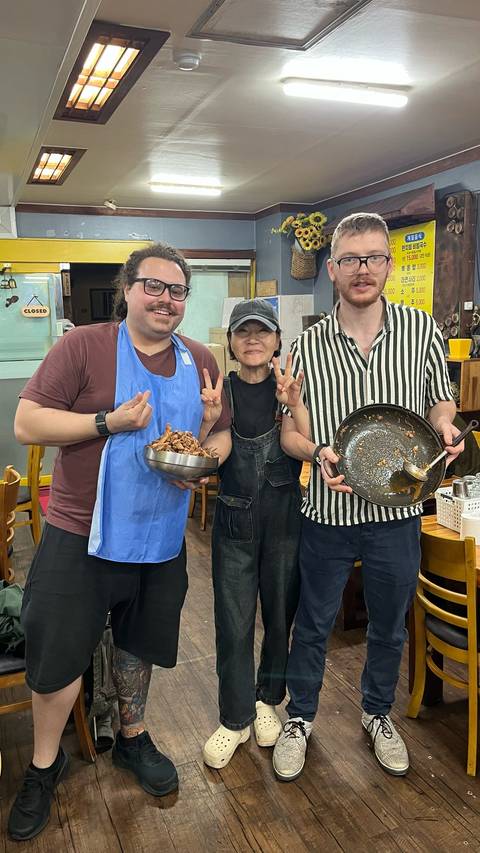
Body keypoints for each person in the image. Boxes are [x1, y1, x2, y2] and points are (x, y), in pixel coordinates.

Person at [8, 242, 231, 842]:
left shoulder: (199, 358)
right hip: (80, 533)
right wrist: (108, 421)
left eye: (177, 290)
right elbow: (27, 422)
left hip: (160, 534)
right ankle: (44, 766)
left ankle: (132, 737)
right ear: (127, 290)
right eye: (153, 286)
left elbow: (221, 437)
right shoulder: (85, 346)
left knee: (138, 644)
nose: (166, 299)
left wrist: (204, 451)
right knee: (58, 656)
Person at [272, 212, 464, 782]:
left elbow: (441, 401)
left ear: (389, 264)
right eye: (351, 259)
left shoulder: (421, 330)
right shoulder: (306, 346)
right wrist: (316, 452)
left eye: (374, 257)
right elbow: (289, 434)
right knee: (313, 623)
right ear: (331, 269)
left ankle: (377, 713)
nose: (363, 269)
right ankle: (299, 718)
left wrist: (445, 426)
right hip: (328, 513)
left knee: (389, 626)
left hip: (398, 512)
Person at [202, 299, 305, 769]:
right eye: (242, 332)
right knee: (233, 621)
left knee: (281, 616)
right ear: (230, 342)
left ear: (277, 340)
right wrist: (206, 421)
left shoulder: (290, 387)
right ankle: (234, 716)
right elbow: (213, 448)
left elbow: (301, 444)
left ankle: (267, 701)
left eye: (262, 331)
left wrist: (295, 405)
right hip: (233, 524)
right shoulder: (219, 392)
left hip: (284, 522)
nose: (252, 340)